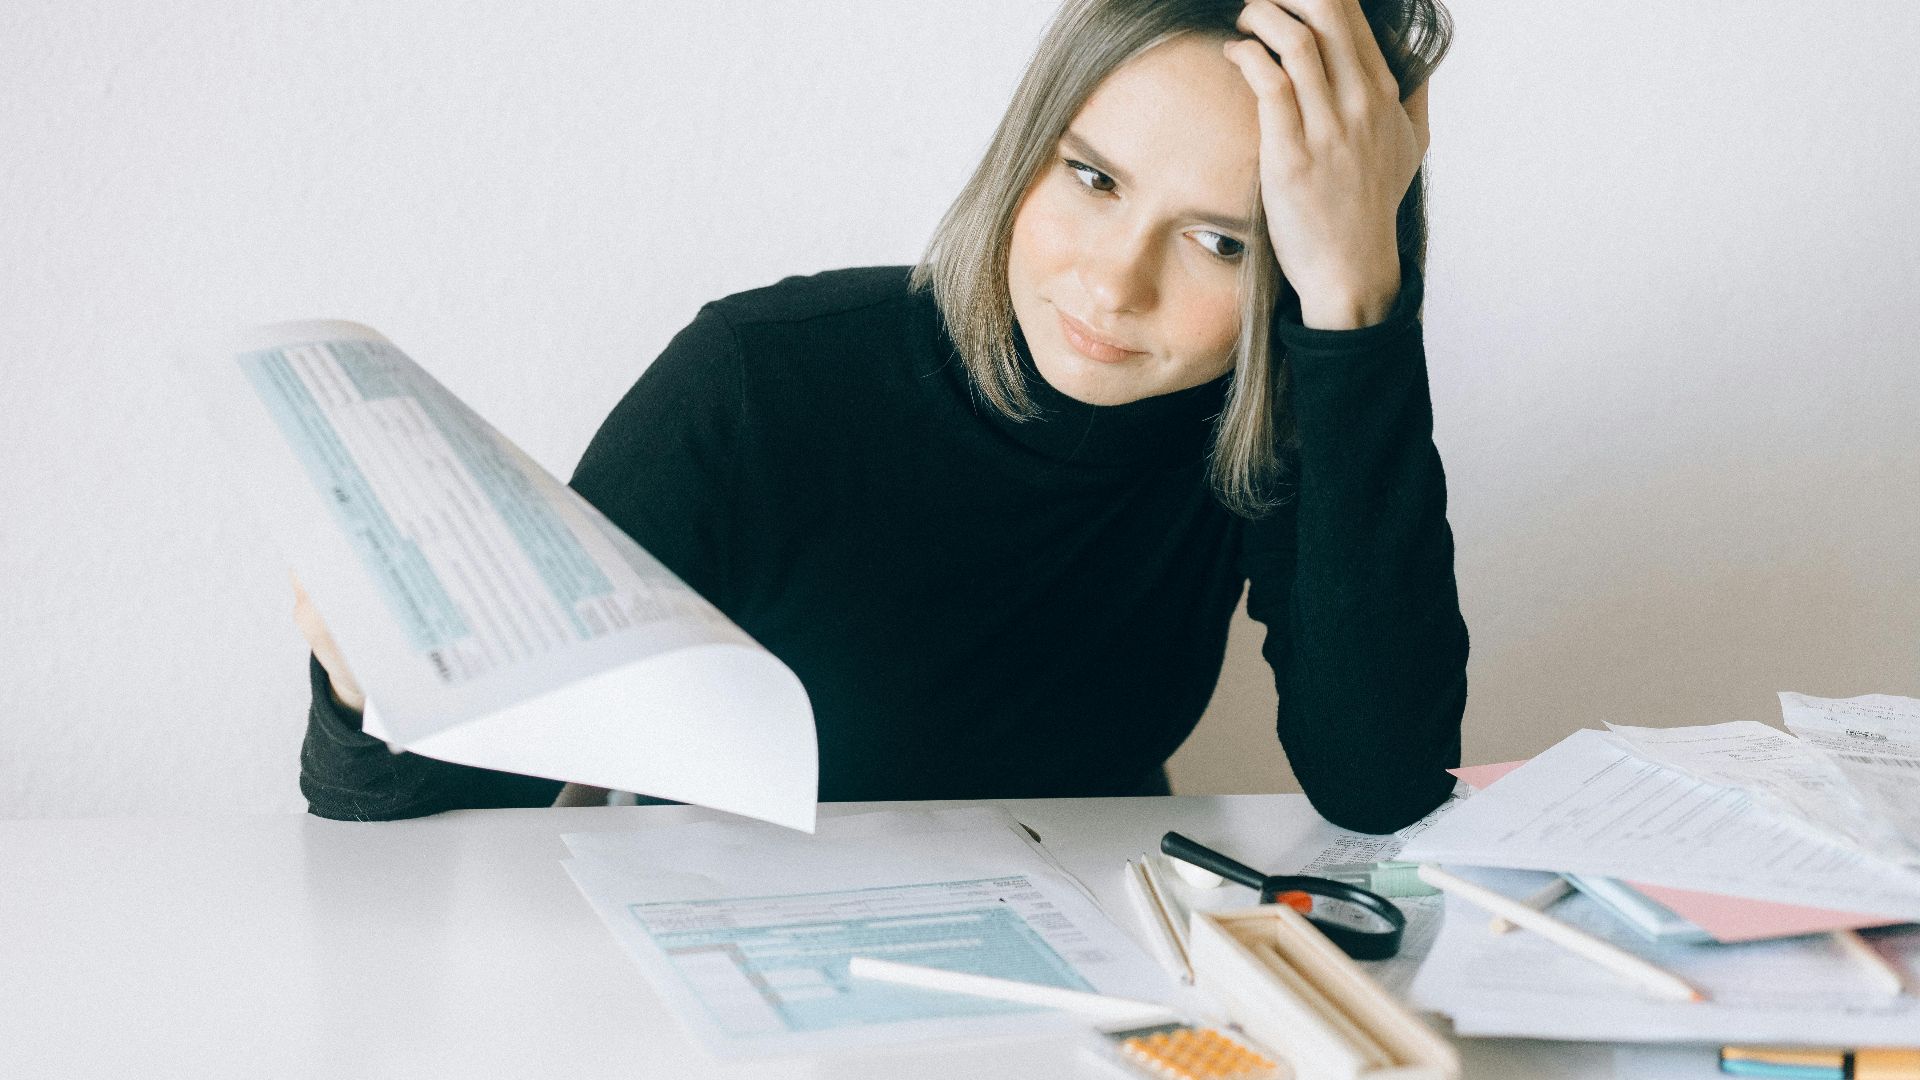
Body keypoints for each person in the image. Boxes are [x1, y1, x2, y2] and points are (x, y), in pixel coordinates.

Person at [295, 0, 1467, 834]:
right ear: (1027, 154)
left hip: (1091, 966)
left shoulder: (1270, 422)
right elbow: (416, 806)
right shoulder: (759, 382)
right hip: (725, 959)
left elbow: (1382, 785)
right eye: (1093, 179)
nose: (1116, 284)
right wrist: (371, 685)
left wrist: (1361, 309)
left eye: (1222, 241)